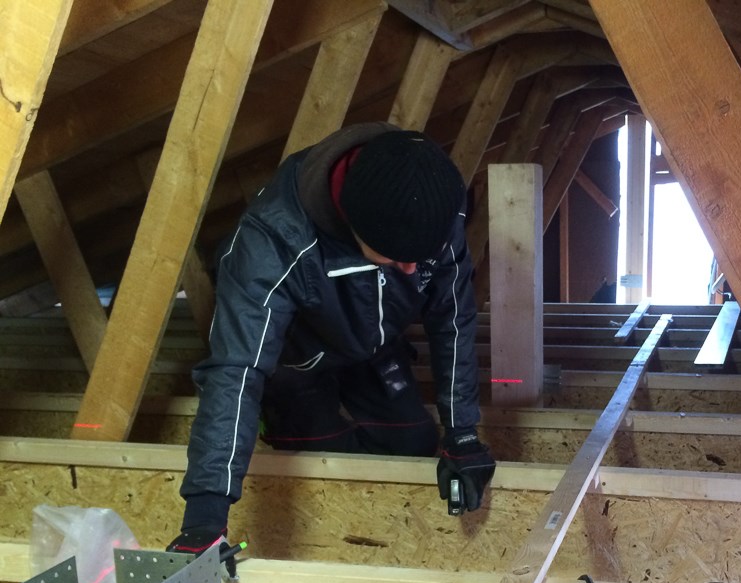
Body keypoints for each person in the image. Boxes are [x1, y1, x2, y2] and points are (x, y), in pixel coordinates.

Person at [167, 123, 496, 556]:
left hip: (374, 348)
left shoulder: (433, 202)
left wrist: (463, 434)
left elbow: (452, 318)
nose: (413, 270)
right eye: (398, 258)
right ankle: (279, 420)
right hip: (296, 361)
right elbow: (236, 370)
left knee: (415, 445)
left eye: (421, 258)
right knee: (318, 465)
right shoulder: (273, 241)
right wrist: (205, 516)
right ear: (356, 226)